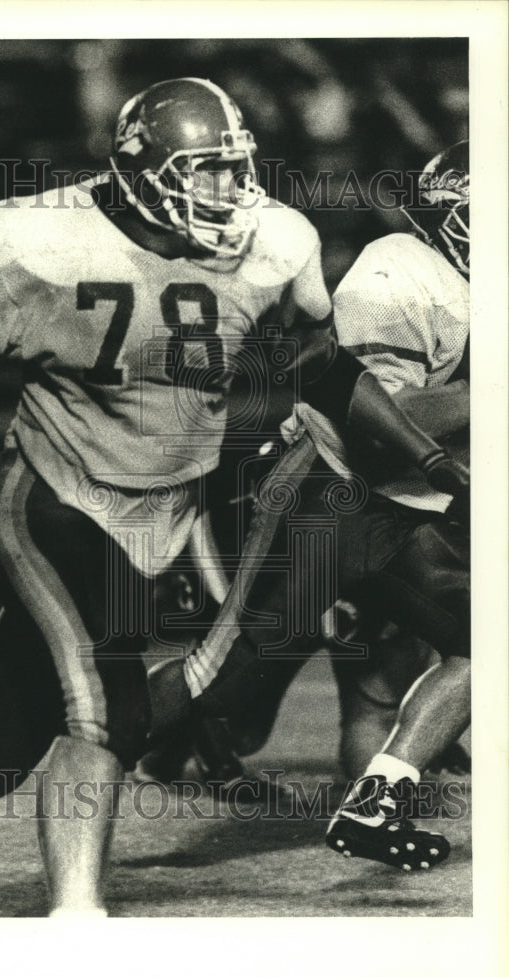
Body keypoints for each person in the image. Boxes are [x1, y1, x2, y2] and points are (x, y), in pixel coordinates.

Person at [0, 80, 467, 915]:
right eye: (200, 174)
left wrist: (429, 457)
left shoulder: (274, 240)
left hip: (161, 510)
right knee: (107, 718)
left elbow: (329, 366)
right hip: (50, 500)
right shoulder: (33, 241)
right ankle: (79, 925)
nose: (225, 193)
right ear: (137, 171)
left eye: (231, 170)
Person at [147, 141, 471, 872]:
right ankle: (90, 737)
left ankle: (374, 804)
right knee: (225, 684)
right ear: (456, 217)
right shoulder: (402, 268)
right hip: (328, 493)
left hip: (404, 512)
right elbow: (382, 411)